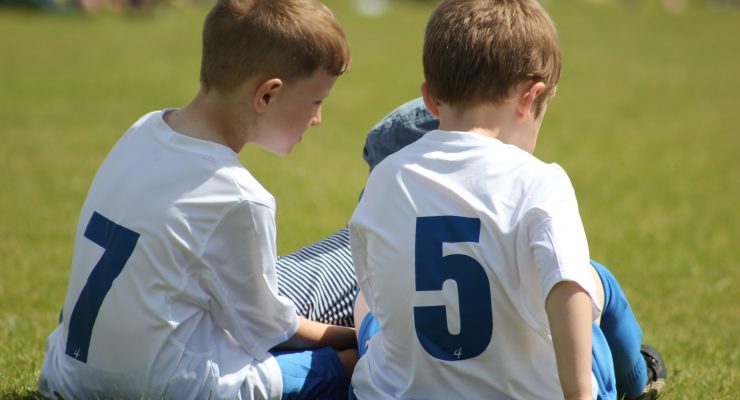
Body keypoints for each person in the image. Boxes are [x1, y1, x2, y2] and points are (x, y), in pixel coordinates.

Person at [37, 1, 358, 399]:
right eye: (316, 102)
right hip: (175, 388)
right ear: (267, 95)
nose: (317, 119)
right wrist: (356, 338)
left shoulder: (142, 130)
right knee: (356, 364)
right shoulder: (241, 197)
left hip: (69, 378)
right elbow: (271, 330)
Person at [348, 0, 667, 399]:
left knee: (369, 309)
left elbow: (378, 292)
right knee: (593, 279)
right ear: (529, 98)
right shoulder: (539, 182)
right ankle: (638, 376)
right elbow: (568, 287)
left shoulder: (384, 178)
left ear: (429, 99)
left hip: (396, 391)